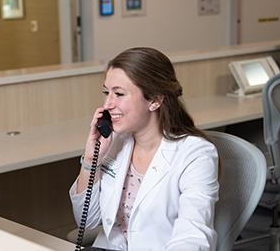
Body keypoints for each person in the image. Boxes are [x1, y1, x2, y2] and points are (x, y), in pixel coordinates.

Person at [69, 47, 219, 251]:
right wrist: (90, 158)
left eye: (119, 94)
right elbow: (86, 221)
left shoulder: (195, 155)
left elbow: (193, 236)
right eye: (107, 92)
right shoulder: (115, 142)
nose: (107, 104)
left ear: (155, 101)